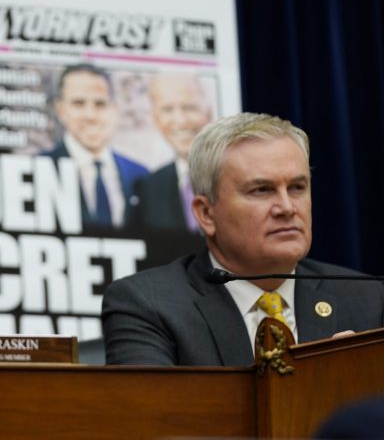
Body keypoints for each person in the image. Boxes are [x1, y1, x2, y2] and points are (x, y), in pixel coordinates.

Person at [102, 112, 384, 366]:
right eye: (261, 190)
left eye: (297, 187)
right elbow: (158, 419)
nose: (287, 207)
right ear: (206, 213)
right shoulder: (149, 305)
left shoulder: (367, 299)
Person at [43, 63, 148, 229]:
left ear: (114, 109)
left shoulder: (141, 176)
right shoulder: (39, 168)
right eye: (78, 104)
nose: (90, 115)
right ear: (61, 110)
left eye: (100, 104)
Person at [128, 73, 213, 233]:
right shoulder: (148, 189)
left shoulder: (234, 176)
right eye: (167, 109)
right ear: (156, 118)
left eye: (189, 108)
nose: (180, 120)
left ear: (208, 113)